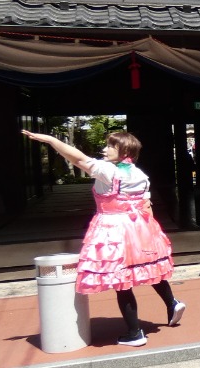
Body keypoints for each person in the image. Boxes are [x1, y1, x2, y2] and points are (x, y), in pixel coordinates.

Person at [21, 129, 184, 347]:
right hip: (141, 227)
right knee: (150, 268)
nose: (104, 150)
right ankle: (172, 303)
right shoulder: (140, 175)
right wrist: (152, 235)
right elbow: (147, 206)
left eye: (110, 146)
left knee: (122, 281)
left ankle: (135, 333)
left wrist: (51, 140)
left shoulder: (108, 171)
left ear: (124, 150)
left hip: (112, 229)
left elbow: (78, 158)